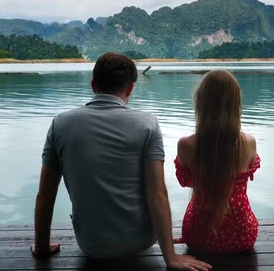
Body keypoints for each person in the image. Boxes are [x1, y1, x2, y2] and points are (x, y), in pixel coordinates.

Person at [31, 52, 211, 270]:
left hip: (91, 245)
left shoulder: (60, 124)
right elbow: (157, 194)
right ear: (130, 88)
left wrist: (41, 248)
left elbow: (46, 195)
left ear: (93, 85)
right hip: (141, 241)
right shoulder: (148, 125)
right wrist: (170, 257)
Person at [175, 70, 260, 252]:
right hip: (243, 236)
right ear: (236, 103)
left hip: (199, 236)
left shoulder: (185, 145)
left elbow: (187, 182)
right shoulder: (249, 143)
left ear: (200, 102)